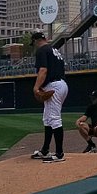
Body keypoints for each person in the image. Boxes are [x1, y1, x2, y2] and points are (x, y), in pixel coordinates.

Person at [29, 31, 68, 163]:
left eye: (33, 43)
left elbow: (43, 70)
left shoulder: (41, 50)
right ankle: (45, 150)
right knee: (47, 118)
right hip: (60, 84)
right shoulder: (54, 50)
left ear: (35, 41)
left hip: (54, 86)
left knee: (54, 119)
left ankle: (59, 153)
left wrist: (36, 87)